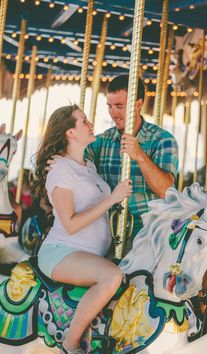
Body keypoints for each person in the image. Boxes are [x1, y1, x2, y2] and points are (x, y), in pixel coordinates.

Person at [33, 104, 132, 354]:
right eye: (83, 121)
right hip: (63, 251)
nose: (90, 125)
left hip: (89, 252)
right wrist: (112, 199)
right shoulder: (60, 169)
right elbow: (71, 223)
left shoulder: (87, 166)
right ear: (70, 133)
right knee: (112, 276)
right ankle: (71, 342)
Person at [85, 74, 179, 238]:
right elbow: (75, 161)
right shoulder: (101, 141)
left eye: (119, 106)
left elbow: (166, 191)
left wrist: (140, 156)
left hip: (148, 231)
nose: (113, 113)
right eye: (110, 106)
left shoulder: (162, 140)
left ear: (138, 104)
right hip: (108, 228)